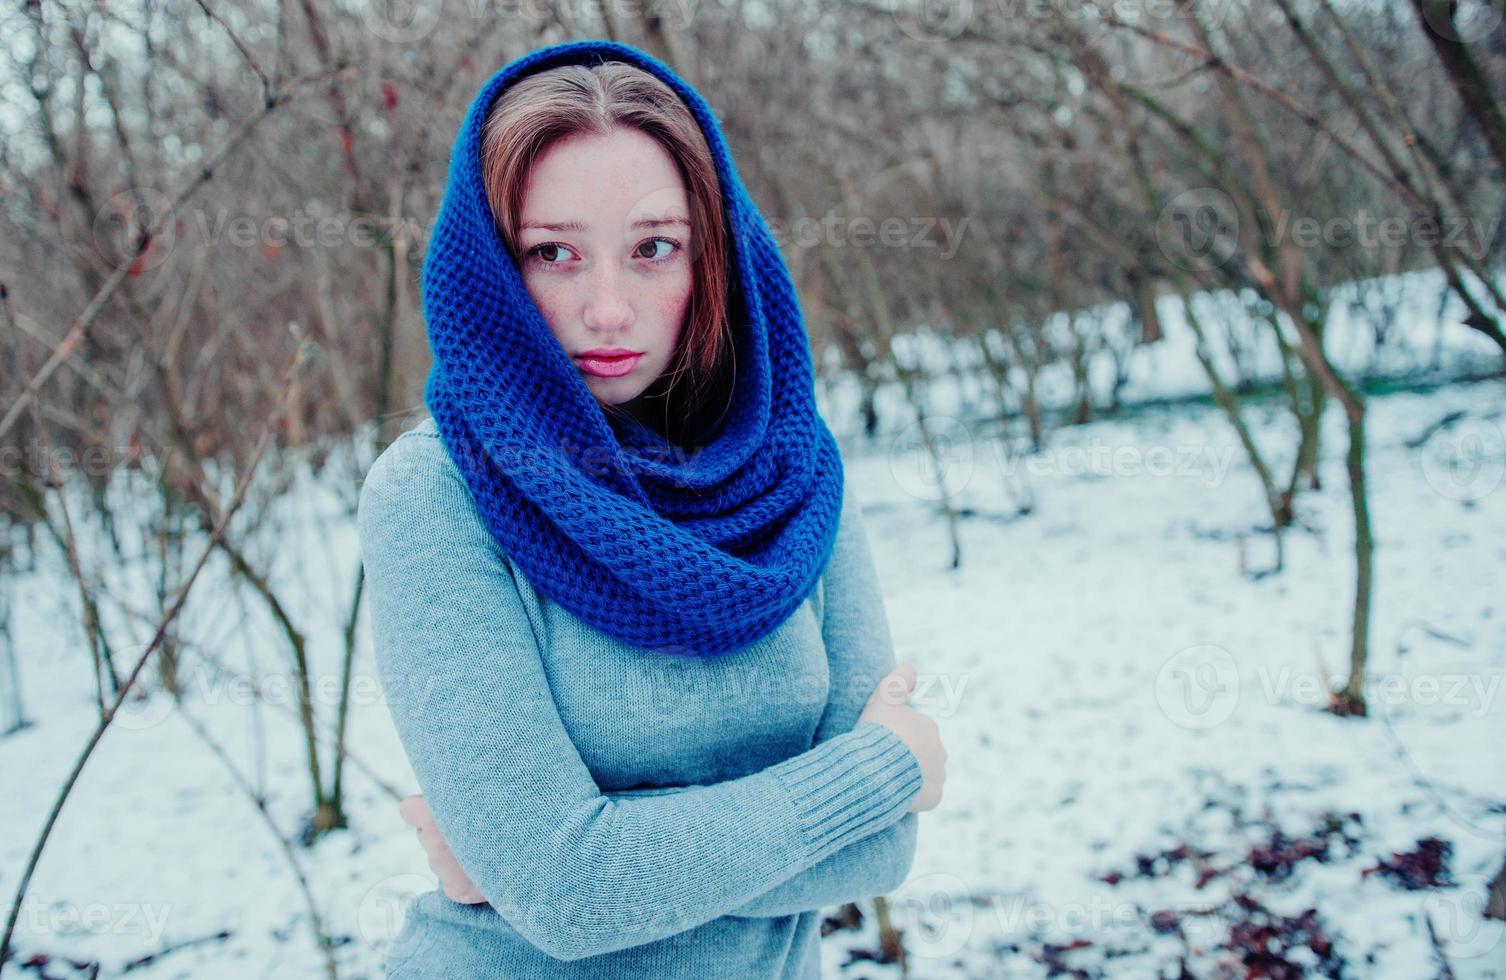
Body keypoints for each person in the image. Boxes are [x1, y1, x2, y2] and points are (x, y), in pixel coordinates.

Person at [357, 38, 948, 979]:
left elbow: (880, 856)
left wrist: (569, 863)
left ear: (712, 254)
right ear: (491, 272)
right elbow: (570, 894)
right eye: (552, 253)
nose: (606, 308)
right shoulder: (436, 493)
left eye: (652, 248)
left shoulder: (793, 475)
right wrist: (883, 772)